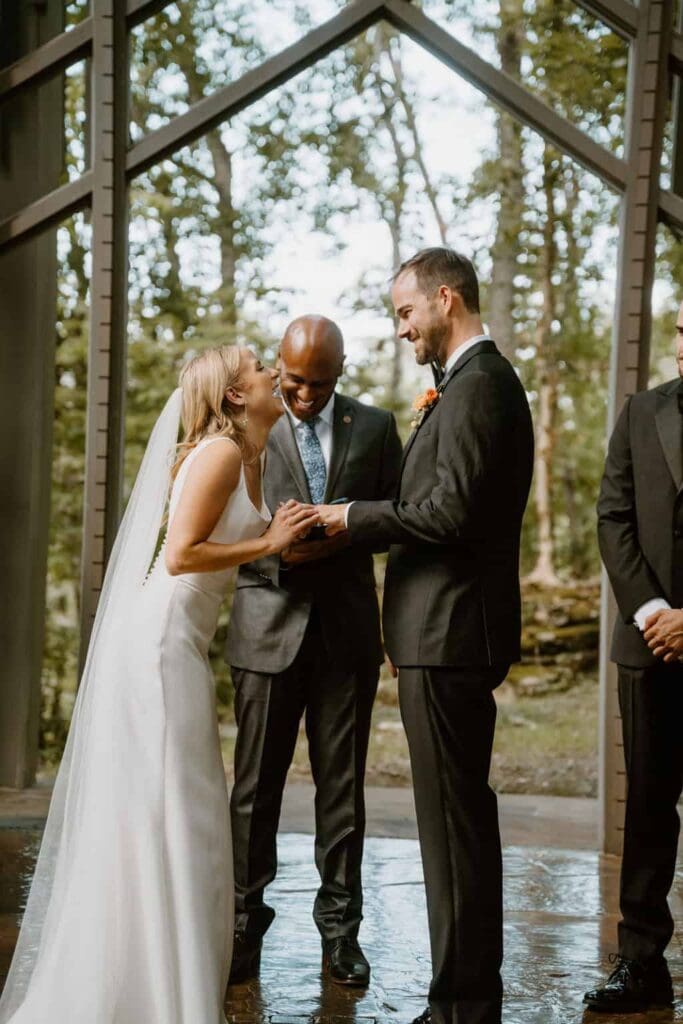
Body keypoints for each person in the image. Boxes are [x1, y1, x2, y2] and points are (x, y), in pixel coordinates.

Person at [0, 346, 319, 1024]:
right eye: (259, 367)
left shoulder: (252, 456)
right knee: (177, 814)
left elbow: (239, 542)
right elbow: (180, 554)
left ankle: (161, 985)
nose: (272, 373)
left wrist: (290, 534)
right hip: (156, 647)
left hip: (179, 645)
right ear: (234, 396)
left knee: (178, 813)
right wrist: (267, 544)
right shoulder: (220, 454)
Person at [317, 248, 534, 1024]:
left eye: (406, 312)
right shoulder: (464, 388)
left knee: (456, 828)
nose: (401, 329)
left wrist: (350, 517)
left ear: (446, 299)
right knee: (451, 826)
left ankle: (464, 1005)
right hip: (438, 636)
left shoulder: (480, 388)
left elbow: (448, 516)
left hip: (450, 636)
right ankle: (458, 998)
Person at [225, 315, 402, 986]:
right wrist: (280, 551)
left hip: (347, 634)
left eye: (319, 386)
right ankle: (244, 928)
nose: (303, 399)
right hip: (266, 624)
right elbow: (223, 528)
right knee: (253, 792)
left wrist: (349, 532)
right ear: (277, 366)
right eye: (294, 382)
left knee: (342, 793)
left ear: (340, 373)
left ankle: (340, 934)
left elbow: (398, 517)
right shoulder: (247, 423)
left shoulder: (377, 427)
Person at [585, 303, 683, 1014]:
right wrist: (652, 613)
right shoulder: (640, 411)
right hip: (647, 647)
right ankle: (641, 963)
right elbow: (612, 516)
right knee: (646, 807)